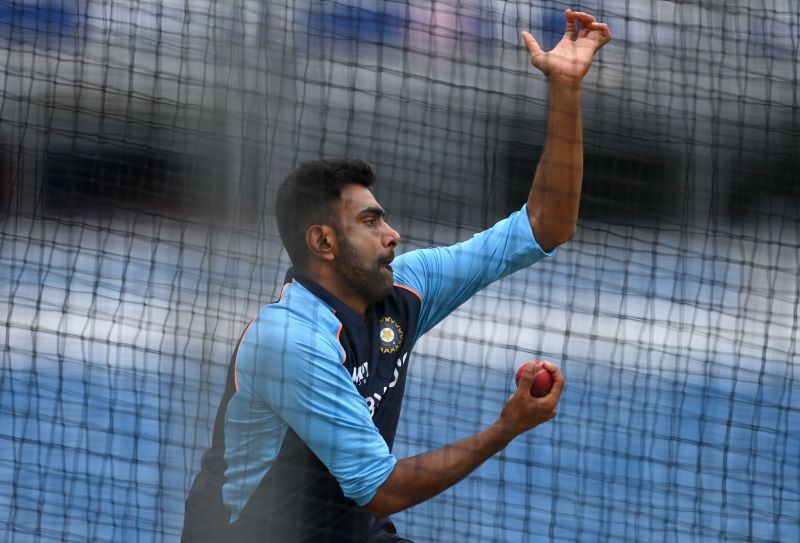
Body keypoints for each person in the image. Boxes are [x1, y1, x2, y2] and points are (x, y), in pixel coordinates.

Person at [183, 9, 611, 543]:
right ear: (323, 242)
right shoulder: (291, 339)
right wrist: (508, 427)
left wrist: (566, 90)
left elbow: (545, 227)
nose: (393, 234)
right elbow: (382, 487)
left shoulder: (404, 287)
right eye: (370, 221)